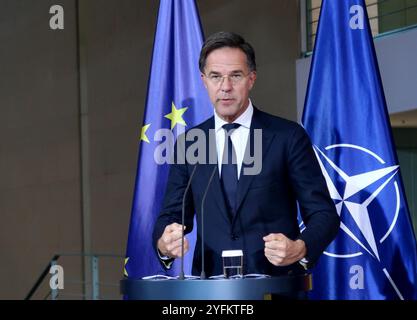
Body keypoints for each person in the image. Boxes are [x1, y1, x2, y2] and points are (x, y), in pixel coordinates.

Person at [153, 31, 340, 280]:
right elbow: (172, 216)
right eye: (216, 77)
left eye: (236, 76)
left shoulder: (287, 136)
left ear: (251, 79)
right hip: (209, 291)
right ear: (203, 81)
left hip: (275, 287)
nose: (225, 87)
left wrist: (300, 248)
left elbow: (323, 214)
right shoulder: (190, 143)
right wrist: (165, 244)